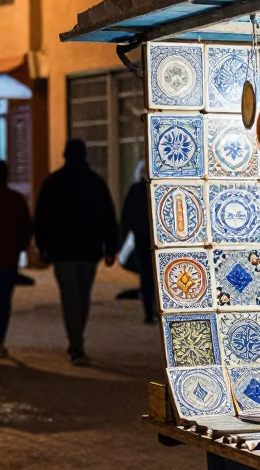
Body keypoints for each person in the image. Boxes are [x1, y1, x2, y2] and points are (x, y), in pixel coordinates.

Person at [34, 139, 118, 365]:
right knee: (83, 297)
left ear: (65, 155)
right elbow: (108, 217)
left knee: (70, 298)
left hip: (62, 251)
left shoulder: (53, 183)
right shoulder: (95, 183)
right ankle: (77, 341)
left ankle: (76, 344)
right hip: (89, 250)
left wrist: (42, 247)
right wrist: (110, 248)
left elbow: (41, 219)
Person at [0, 160, 33, 360]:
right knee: (3, 302)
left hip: (8, 257)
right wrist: (22, 247)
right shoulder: (16, 200)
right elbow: (25, 228)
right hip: (8, 259)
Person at [120, 162, 155, 323]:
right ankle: (156, 309)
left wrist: (121, 239)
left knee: (146, 275)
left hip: (142, 238)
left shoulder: (135, 191)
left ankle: (149, 311)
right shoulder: (159, 189)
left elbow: (126, 217)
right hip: (158, 240)